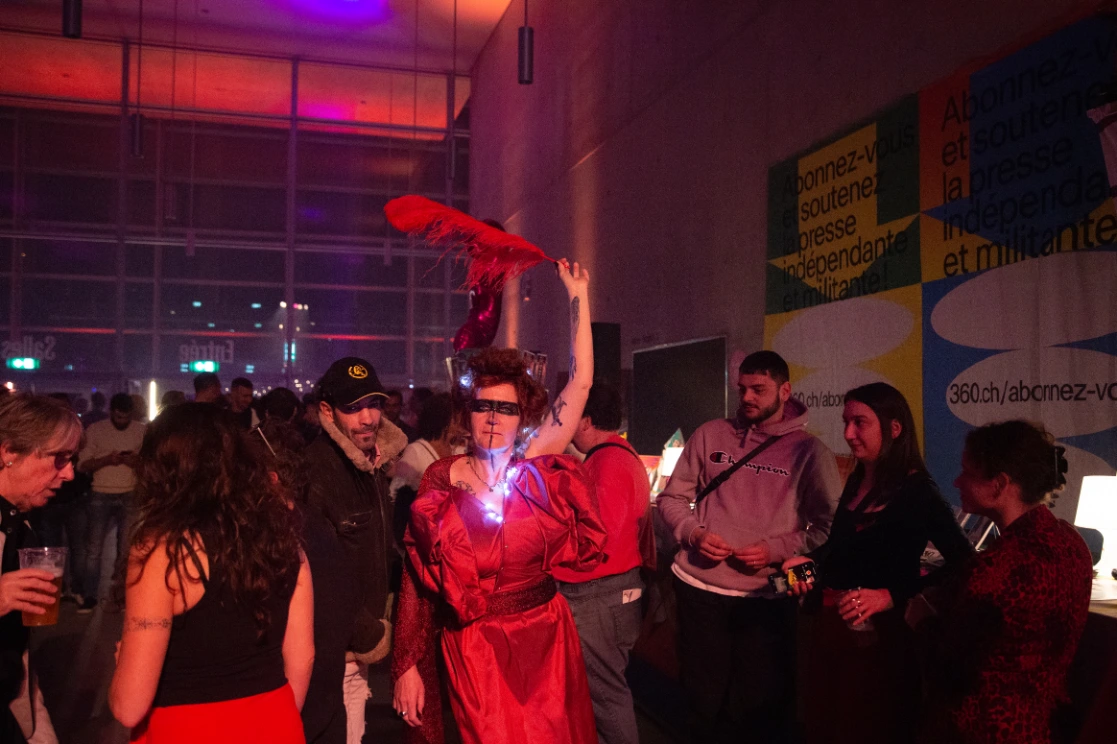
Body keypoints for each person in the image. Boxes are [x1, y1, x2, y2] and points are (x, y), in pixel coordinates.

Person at [391, 259, 601, 744]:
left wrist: (578, 295)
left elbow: (581, 383)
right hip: (476, 645)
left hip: (545, 637)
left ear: (521, 415)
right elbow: (416, 577)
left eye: (506, 408)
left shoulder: (534, 466)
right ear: (468, 413)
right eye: (483, 406)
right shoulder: (443, 476)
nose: (493, 417)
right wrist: (406, 663)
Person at [656, 350, 842, 744]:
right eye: (742, 389)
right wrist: (694, 533)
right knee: (702, 703)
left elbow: (829, 527)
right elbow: (671, 499)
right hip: (698, 590)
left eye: (758, 389)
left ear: (785, 391)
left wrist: (775, 550)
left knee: (759, 709)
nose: (747, 397)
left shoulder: (809, 452)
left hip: (765, 597)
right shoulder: (711, 434)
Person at [108, 404, 314, 743]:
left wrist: (122, 665)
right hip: (275, 722)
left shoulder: (164, 550)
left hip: (187, 728)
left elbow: (129, 706)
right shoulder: (284, 544)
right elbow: (302, 658)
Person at [780, 382, 973, 744]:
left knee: (865, 727)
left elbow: (963, 562)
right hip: (831, 626)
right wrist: (806, 563)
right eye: (846, 422)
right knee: (823, 724)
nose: (848, 433)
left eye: (860, 422)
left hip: (882, 639)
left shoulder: (919, 491)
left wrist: (890, 595)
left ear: (894, 428)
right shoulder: (857, 479)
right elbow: (840, 549)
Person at [920, 420, 1092, 744]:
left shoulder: (995, 569)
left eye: (967, 472)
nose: (957, 481)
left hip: (983, 729)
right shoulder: (1074, 544)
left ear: (999, 484)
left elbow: (950, 669)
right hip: (1043, 726)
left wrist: (920, 619)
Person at [304, 357, 408, 744]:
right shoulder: (316, 471)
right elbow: (321, 578)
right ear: (327, 410)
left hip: (355, 651)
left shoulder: (370, 461)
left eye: (374, 404)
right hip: (332, 654)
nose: (368, 418)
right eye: (353, 407)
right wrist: (369, 635)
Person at [554, 381, 655, 744]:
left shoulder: (607, 463)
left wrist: (551, 557)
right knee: (602, 692)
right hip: (612, 592)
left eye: (567, 417)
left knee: (606, 695)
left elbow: (599, 542)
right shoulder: (619, 456)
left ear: (585, 420)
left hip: (599, 594)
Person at [0, 394, 81, 744]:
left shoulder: (21, 525)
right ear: (9, 452)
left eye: (72, 459)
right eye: (59, 458)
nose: (69, 473)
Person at [77, 393, 145, 613]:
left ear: (132, 414)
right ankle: (89, 595)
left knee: (126, 549)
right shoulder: (96, 430)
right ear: (111, 412)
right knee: (94, 549)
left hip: (130, 492)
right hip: (101, 493)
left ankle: (122, 595)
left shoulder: (141, 431)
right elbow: (82, 465)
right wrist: (107, 460)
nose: (121, 421)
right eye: (117, 416)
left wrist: (135, 461)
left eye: (125, 417)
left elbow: (150, 464)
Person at [389, 393, 457, 518]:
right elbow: (395, 495)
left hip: (452, 526)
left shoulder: (458, 450)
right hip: (424, 524)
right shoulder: (416, 451)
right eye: (457, 417)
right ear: (446, 420)